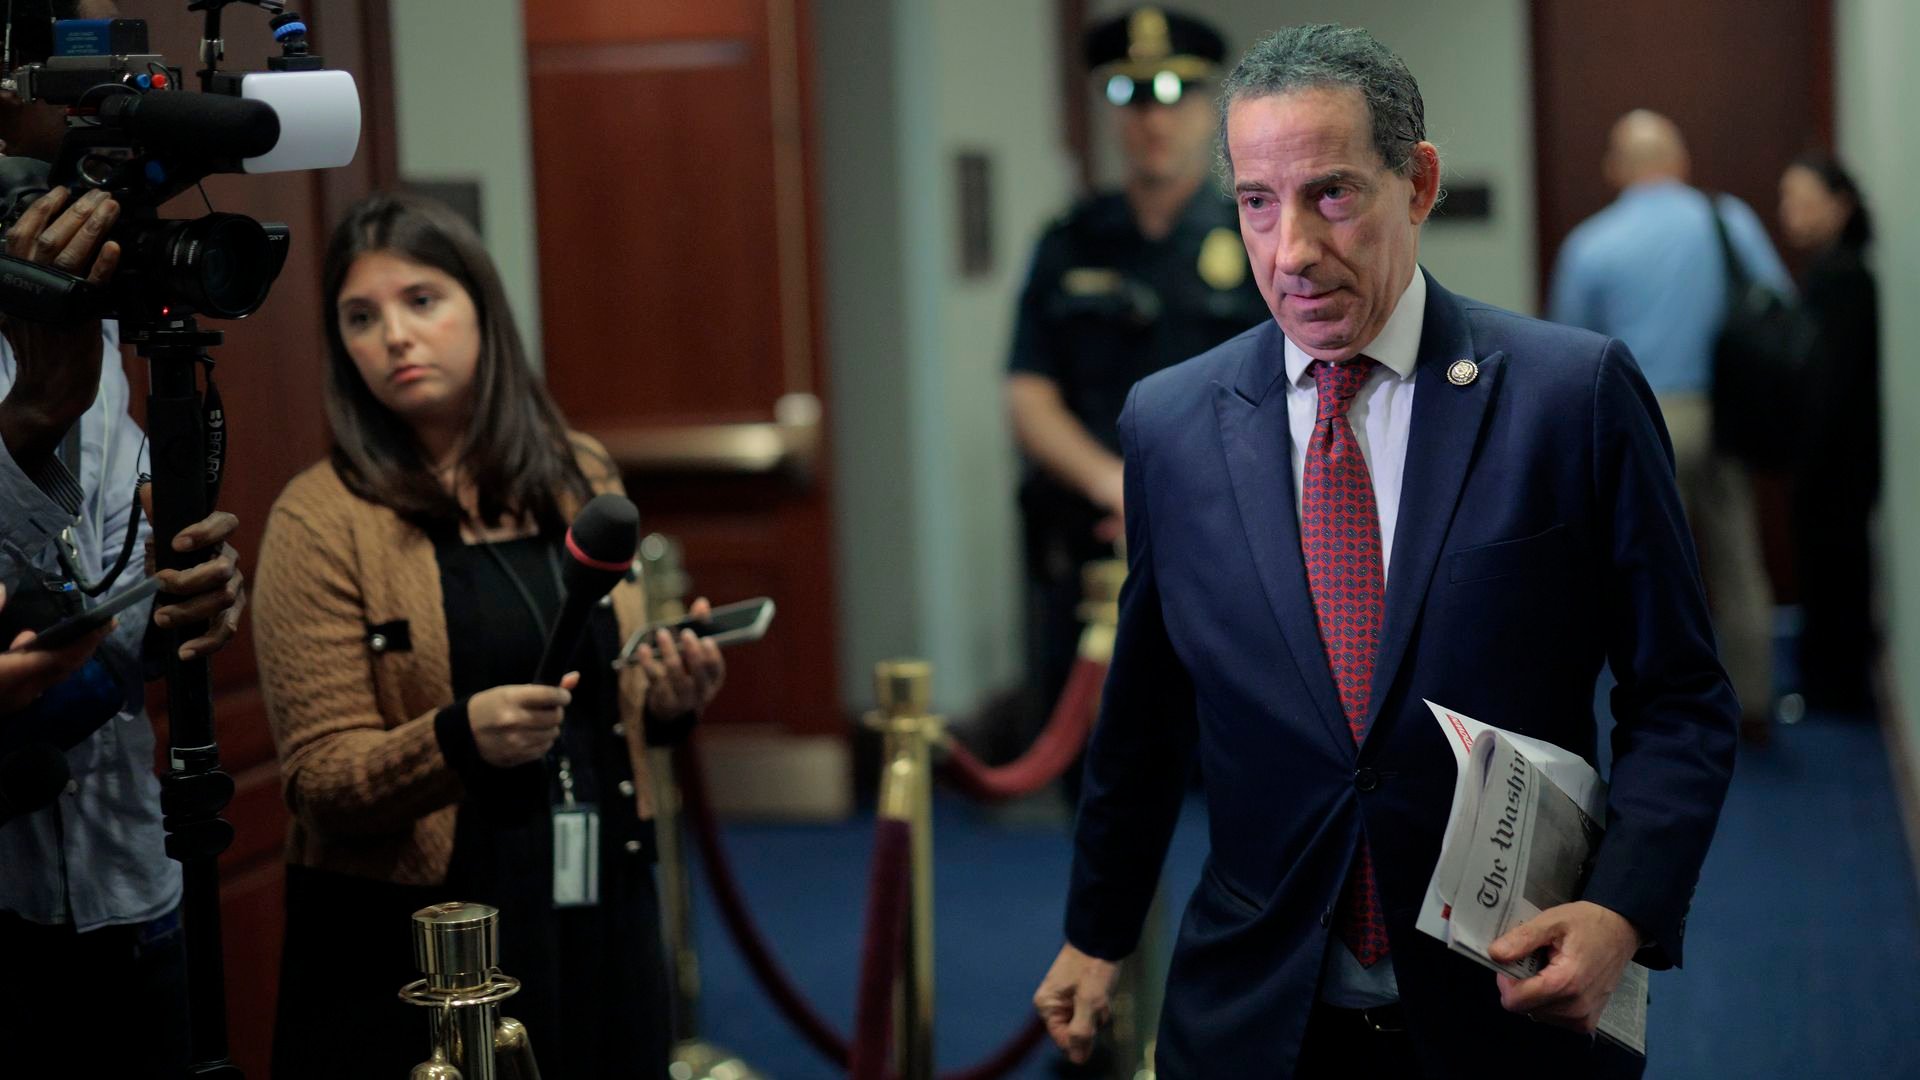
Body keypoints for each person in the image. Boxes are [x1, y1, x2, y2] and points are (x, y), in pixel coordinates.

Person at [1031, 25, 1737, 1077]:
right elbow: (1143, 719)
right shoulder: (1171, 425)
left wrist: (1622, 910)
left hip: (1510, 1003)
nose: (1290, 252)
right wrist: (1098, 930)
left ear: (1419, 183)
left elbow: (1679, 696)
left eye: (1332, 195)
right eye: (1257, 203)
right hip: (1256, 1010)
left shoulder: (1569, 397)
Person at [254, 192, 724, 1078]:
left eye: (421, 301)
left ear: (482, 310)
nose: (394, 336)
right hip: (423, 933)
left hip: (597, 891)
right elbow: (318, 782)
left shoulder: (575, 470)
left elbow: (606, 700)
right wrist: (456, 740)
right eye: (361, 317)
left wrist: (667, 698)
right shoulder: (319, 517)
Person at [0, 4, 248, 1073]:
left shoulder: (99, 338)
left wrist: (189, 598)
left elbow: (120, 579)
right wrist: (27, 426)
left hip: (136, 889)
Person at [1007, 6, 1267, 755]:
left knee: (1235, 767)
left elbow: (1296, 384)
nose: (1154, 117)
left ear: (1210, 107)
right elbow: (1028, 394)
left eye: (1174, 93)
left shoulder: (1255, 234)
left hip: (1228, 534)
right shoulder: (1068, 243)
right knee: (1093, 769)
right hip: (1093, 546)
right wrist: (1113, 485)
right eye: (1130, 97)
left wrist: (1179, 495)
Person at [1548, 109, 1791, 744]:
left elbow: (1567, 348)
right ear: (1679, 162)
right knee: (1738, 558)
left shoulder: (1591, 244)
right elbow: (1778, 305)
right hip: (1725, 411)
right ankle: (1758, 704)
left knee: (1653, 570)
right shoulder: (1727, 219)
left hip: (1643, 419)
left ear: (1616, 169)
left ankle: (1670, 710)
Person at [1778, 153, 1880, 713]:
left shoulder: (1842, 276)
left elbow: (1832, 384)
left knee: (1835, 574)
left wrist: (1807, 457)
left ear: (1838, 206)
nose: (1787, 211)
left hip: (1836, 460)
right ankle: (1829, 685)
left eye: (1800, 198)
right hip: (1836, 457)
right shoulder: (1834, 269)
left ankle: (1833, 691)